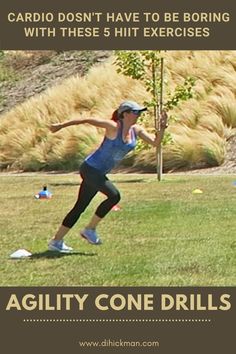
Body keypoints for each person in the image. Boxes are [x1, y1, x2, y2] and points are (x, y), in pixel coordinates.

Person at [48, 101, 168, 252]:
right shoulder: (113, 127)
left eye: (139, 113)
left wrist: (162, 128)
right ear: (125, 113)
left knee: (80, 207)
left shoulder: (136, 130)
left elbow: (156, 143)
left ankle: (56, 241)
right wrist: (60, 126)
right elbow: (86, 120)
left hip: (99, 172)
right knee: (114, 196)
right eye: (136, 112)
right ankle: (89, 229)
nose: (138, 115)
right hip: (91, 169)